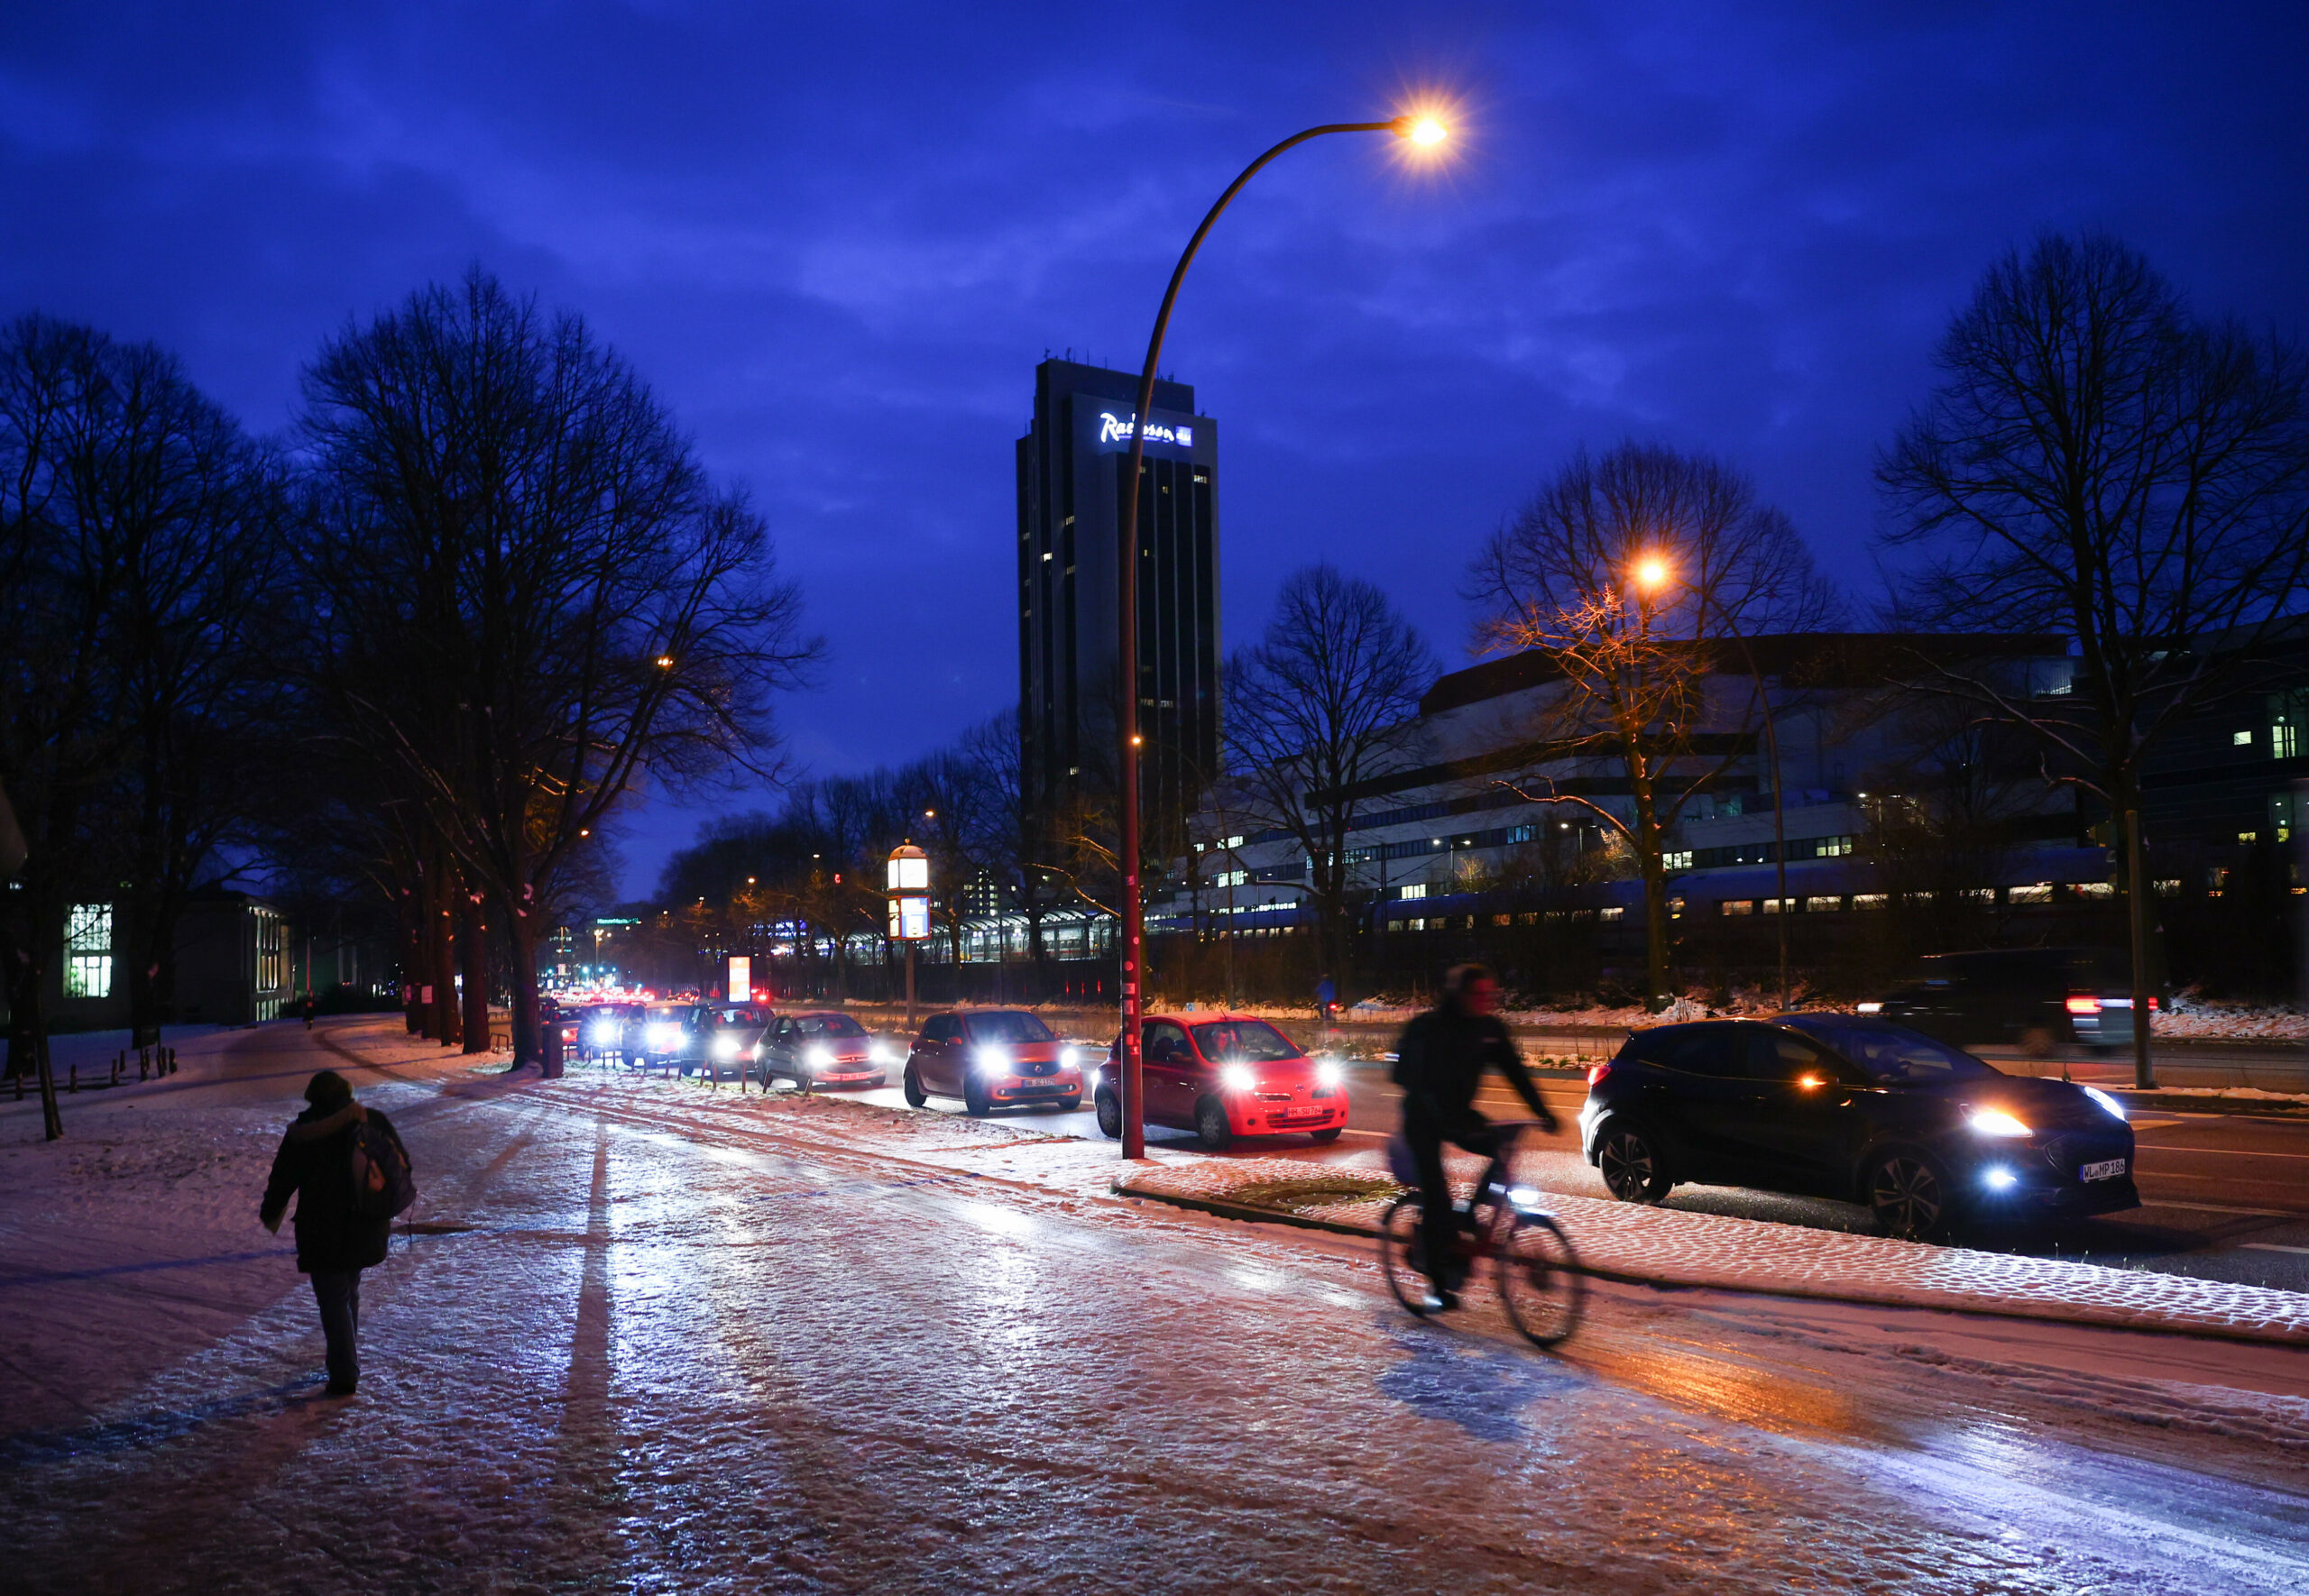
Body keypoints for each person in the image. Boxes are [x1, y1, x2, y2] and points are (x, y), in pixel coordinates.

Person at [1390, 963, 1557, 1311]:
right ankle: (1437, 1286)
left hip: (1459, 1113)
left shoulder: (1488, 1029)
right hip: (1423, 1118)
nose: (1486, 1001)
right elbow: (1407, 1076)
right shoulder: (1432, 1029)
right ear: (1460, 995)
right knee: (1437, 1197)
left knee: (1501, 1149)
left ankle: (1466, 1218)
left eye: (1490, 995)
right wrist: (1438, 1109)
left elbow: (1515, 1072)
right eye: (1479, 995)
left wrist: (1543, 1112)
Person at [260, 1070, 403, 1396]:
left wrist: (271, 1213)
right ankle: (345, 1362)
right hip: (366, 1223)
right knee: (347, 1291)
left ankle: (344, 1373)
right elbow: (399, 1162)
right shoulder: (369, 1120)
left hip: (321, 1229)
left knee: (334, 1299)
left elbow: (281, 1179)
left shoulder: (302, 1133)